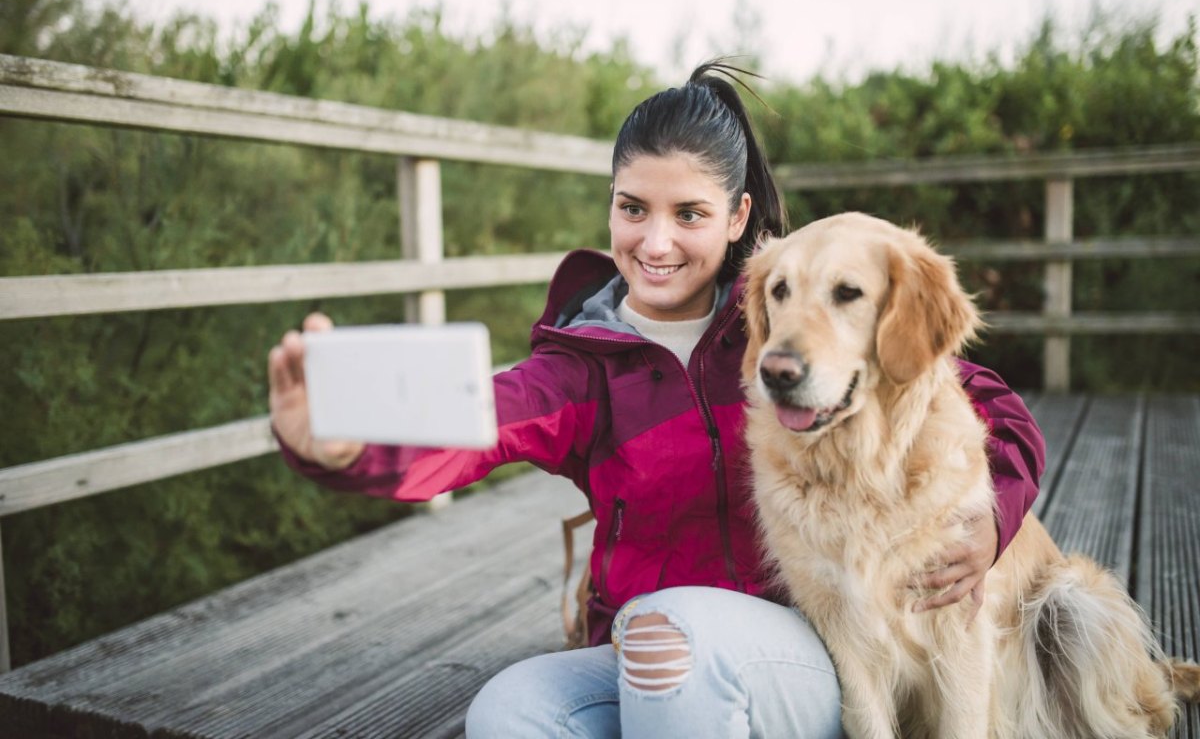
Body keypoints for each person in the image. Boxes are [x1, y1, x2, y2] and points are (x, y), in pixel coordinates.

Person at [267, 61, 1046, 738]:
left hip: (799, 650)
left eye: (690, 214)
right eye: (633, 207)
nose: (656, 241)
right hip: (640, 651)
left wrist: (991, 521)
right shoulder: (584, 364)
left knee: (677, 632)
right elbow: (477, 424)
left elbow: (986, 407)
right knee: (509, 711)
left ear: (738, 217)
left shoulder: (784, 335)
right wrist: (344, 444)